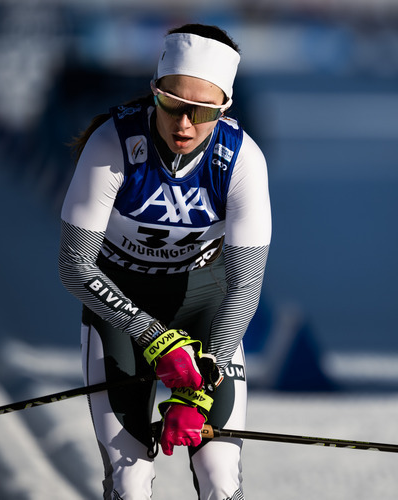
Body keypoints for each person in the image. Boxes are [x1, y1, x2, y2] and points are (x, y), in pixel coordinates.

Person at [58, 23, 271, 500]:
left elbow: (244, 287)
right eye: (172, 104)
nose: (184, 125)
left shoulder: (242, 161)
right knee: (130, 479)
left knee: (220, 475)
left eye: (203, 112)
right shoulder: (112, 144)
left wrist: (199, 388)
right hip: (119, 309)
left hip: (204, 308)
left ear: (225, 108)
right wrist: (154, 337)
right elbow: (76, 267)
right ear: (154, 90)